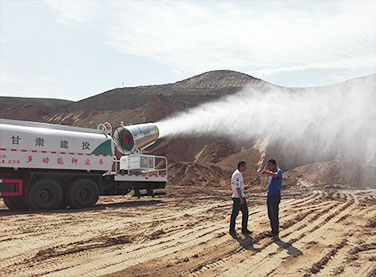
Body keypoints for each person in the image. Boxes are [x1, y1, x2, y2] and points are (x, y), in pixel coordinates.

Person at [261, 159, 282, 240]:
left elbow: (276, 175)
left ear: (274, 165)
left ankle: (275, 232)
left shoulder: (279, 171)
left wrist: (266, 172)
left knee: (274, 214)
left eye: (269, 165)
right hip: (270, 195)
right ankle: (273, 230)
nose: (268, 167)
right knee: (270, 214)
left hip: (275, 196)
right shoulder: (271, 174)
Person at [229, 161, 252, 236]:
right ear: (241, 166)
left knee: (245, 212)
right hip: (238, 197)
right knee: (235, 214)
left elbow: (239, 186)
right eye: (245, 166)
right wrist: (241, 198)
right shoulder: (237, 174)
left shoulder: (239, 174)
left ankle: (244, 229)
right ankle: (232, 230)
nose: (246, 168)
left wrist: (244, 187)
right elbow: (237, 187)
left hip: (240, 195)